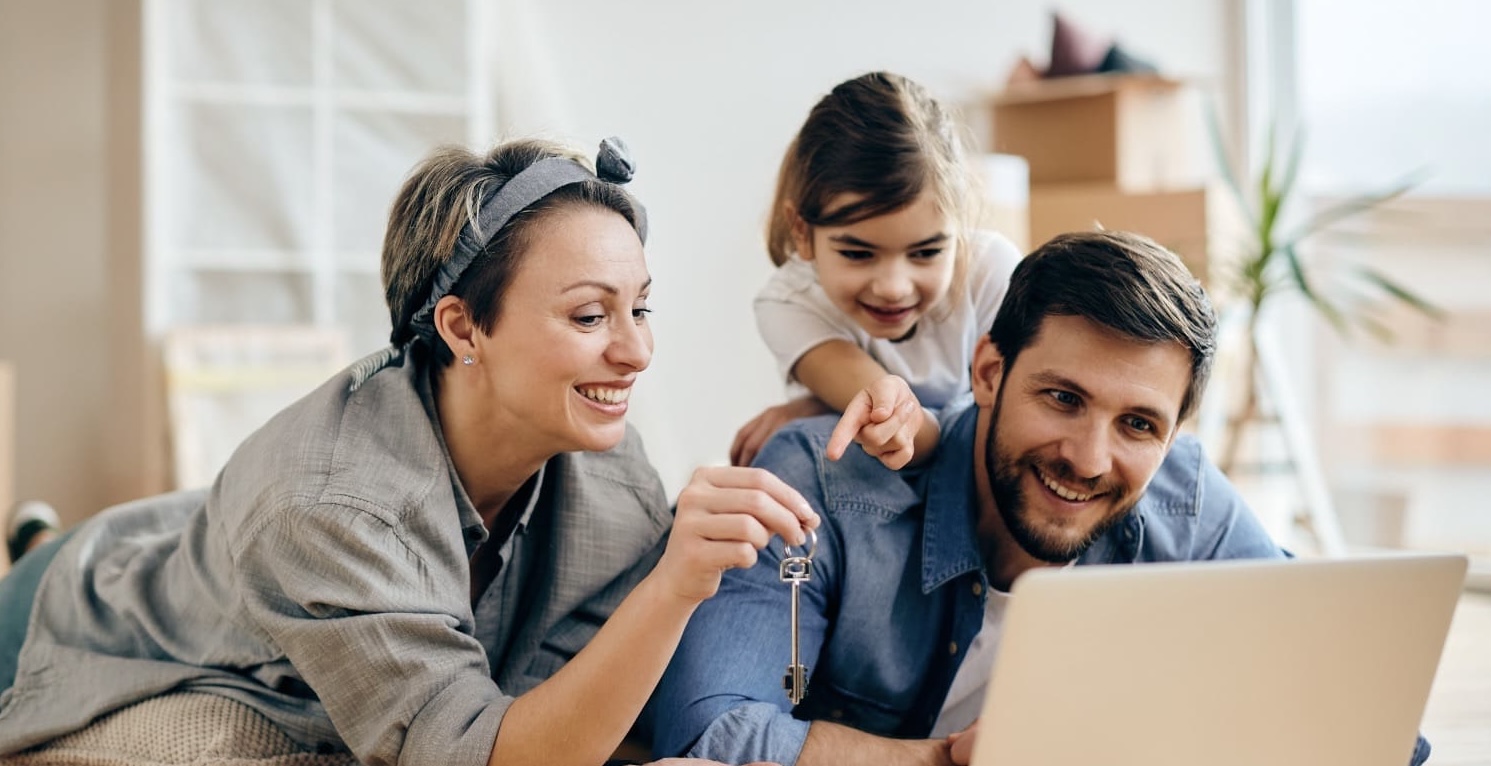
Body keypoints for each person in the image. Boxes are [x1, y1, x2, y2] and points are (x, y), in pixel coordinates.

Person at [0, 137, 817, 766]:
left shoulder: (611, 472)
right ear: (463, 327)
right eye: (588, 317)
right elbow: (474, 753)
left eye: (641, 307)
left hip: (203, 537)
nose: (637, 352)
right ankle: (37, 542)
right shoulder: (326, 505)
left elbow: (564, 700)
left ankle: (39, 529)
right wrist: (674, 585)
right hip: (71, 616)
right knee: (96, 565)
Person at [653, 230, 1434, 766]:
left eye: (1137, 424)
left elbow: (1370, 725)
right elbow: (708, 731)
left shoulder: (1185, 502)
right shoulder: (820, 482)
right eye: (1061, 398)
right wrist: (944, 762)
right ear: (987, 372)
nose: (1089, 459)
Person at [730, 71, 1023, 471]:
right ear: (802, 231)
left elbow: (1016, 432)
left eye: (925, 252)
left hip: (982, 482)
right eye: (857, 254)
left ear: (958, 228)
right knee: (794, 449)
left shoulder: (992, 271)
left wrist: (819, 404)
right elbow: (911, 437)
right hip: (888, 476)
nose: (893, 288)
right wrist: (839, 406)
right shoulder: (788, 304)